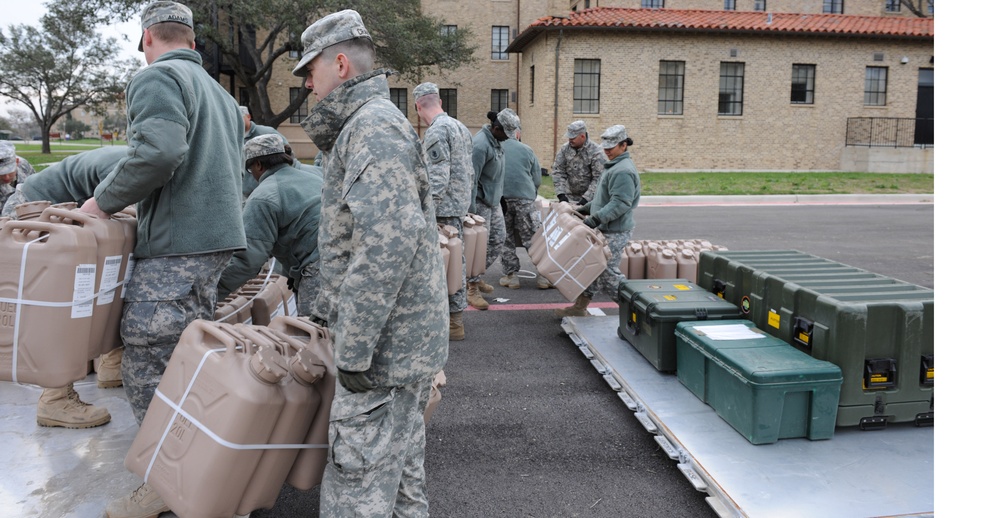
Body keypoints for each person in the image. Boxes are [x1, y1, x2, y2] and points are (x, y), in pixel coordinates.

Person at [79, 3, 247, 517]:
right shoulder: (219, 93)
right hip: (216, 240)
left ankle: (165, 480)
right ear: (193, 41)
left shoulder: (157, 78)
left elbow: (158, 152)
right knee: (189, 361)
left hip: (178, 244)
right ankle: (205, 468)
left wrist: (100, 202)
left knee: (149, 360)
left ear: (147, 37)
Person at [293, 9, 448, 517]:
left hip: (382, 353)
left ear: (339, 64)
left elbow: (387, 244)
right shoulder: (371, 124)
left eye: (310, 73)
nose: (309, 87)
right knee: (401, 479)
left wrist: (354, 348)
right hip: (398, 345)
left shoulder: (371, 127)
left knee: (358, 487)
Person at [2, 146, 129, 429]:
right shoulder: (138, 165)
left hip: (62, 213)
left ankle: (109, 363)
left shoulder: (145, 158)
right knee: (58, 300)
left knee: (99, 290)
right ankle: (55, 398)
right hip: (34, 208)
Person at [217, 134, 322, 316]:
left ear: (257, 165)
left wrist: (215, 291)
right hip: (345, 262)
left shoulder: (264, 196)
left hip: (317, 273)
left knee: (318, 337)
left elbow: (248, 259)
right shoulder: (314, 176)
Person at [555, 125, 640, 318]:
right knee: (593, 267)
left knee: (607, 273)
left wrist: (593, 220)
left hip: (615, 230)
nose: (607, 150)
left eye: (612, 146)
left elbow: (620, 204)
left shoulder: (622, 171)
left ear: (624, 145)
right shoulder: (614, 166)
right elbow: (605, 198)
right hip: (606, 226)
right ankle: (580, 307)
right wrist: (584, 209)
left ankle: (637, 312)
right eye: (606, 146)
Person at [414, 81, 474, 339]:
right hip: (458, 205)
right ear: (439, 102)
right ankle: (454, 320)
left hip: (442, 210)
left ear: (418, 107)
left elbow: (438, 178)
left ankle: (451, 322)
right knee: (454, 263)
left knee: (442, 266)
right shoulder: (459, 127)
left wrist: (427, 210)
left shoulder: (437, 131)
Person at [496, 109, 552, 291]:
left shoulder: (496, 148)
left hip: (501, 199)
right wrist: (531, 194)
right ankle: (544, 275)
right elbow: (536, 178)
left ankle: (511, 276)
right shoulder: (527, 150)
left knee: (507, 238)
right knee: (533, 238)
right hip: (524, 199)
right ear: (517, 132)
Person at [466, 110, 511, 310]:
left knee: (498, 239)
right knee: (479, 246)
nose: (509, 136)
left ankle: (477, 275)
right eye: (506, 132)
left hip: (493, 202)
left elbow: (497, 175)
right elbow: (472, 180)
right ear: (496, 128)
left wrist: (501, 199)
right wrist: (472, 211)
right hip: (480, 203)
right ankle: (471, 287)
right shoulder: (480, 145)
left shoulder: (498, 143)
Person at [551, 120, 606, 205]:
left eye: (573, 138)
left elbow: (599, 178)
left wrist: (586, 199)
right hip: (569, 198)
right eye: (569, 137)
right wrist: (561, 195)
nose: (570, 140)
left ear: (582, 136)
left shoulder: (596, 152)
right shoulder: (564, 149)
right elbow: (558, 171)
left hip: (591, 201)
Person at [240, 105, 289, 198]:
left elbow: (288, 153)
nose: (237, 121)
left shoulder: (267, 132)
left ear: (248, 116)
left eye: (240, 117)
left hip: (270, 192)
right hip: (244, 193)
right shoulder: (231, 137)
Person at [0, 141, 36, 208]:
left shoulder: (24, 167)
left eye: (10, 171)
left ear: (17, 162)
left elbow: (35, 190)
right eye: (1, 174)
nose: (6, 177)